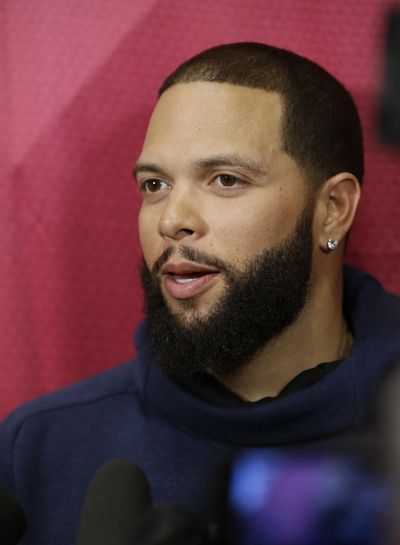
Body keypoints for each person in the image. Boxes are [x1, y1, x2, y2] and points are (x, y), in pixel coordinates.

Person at [1, 42, 399, 545]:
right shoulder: (38, 449)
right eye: (154, 185)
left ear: (333, 210)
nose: (172, 220)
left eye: (225, 179)